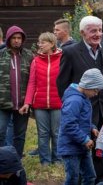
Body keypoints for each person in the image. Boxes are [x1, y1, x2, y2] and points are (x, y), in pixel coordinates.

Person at [57, 15, 103, 183]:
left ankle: (98, 180)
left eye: (99, 30)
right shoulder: (70, 52)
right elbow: (62, 82)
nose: (98, 34)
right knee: (82, 149)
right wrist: (71, 105)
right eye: (93, 31)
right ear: (83, 33)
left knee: (101, 146)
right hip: (81, 109)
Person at [19, 32, 62, 165]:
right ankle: (45, 161)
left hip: (58, 103)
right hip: (40, 104)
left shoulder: (62, 59)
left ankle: (58, 159)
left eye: (43, 42)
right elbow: (31, 83)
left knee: (56, 133)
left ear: (52, 44)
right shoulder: (36, 61)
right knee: (43, 133)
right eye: (39, 42)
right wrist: (27, 102)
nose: (40, 45)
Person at [58, 68, 103, 185]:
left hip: (82, 147)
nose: (96, 93)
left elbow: (82, 120)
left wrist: (92, 128)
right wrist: (84, 139)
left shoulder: (83, 98)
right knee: (73, 178)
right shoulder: (74, 100)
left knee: (90, 177)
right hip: (71, 148)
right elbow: (68, 124)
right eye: (95, 90)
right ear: (88, 86)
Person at [0, 25, 33, 158]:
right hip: (3, 102)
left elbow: (33, 79)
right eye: (14, 38)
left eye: (19, 38)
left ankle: (16, 159)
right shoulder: (1, 55)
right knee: (1, 132)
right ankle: (2, 159)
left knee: (20, 134)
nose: (17, 40)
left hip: (22, 103)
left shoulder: (29, 55)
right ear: (8, 39)